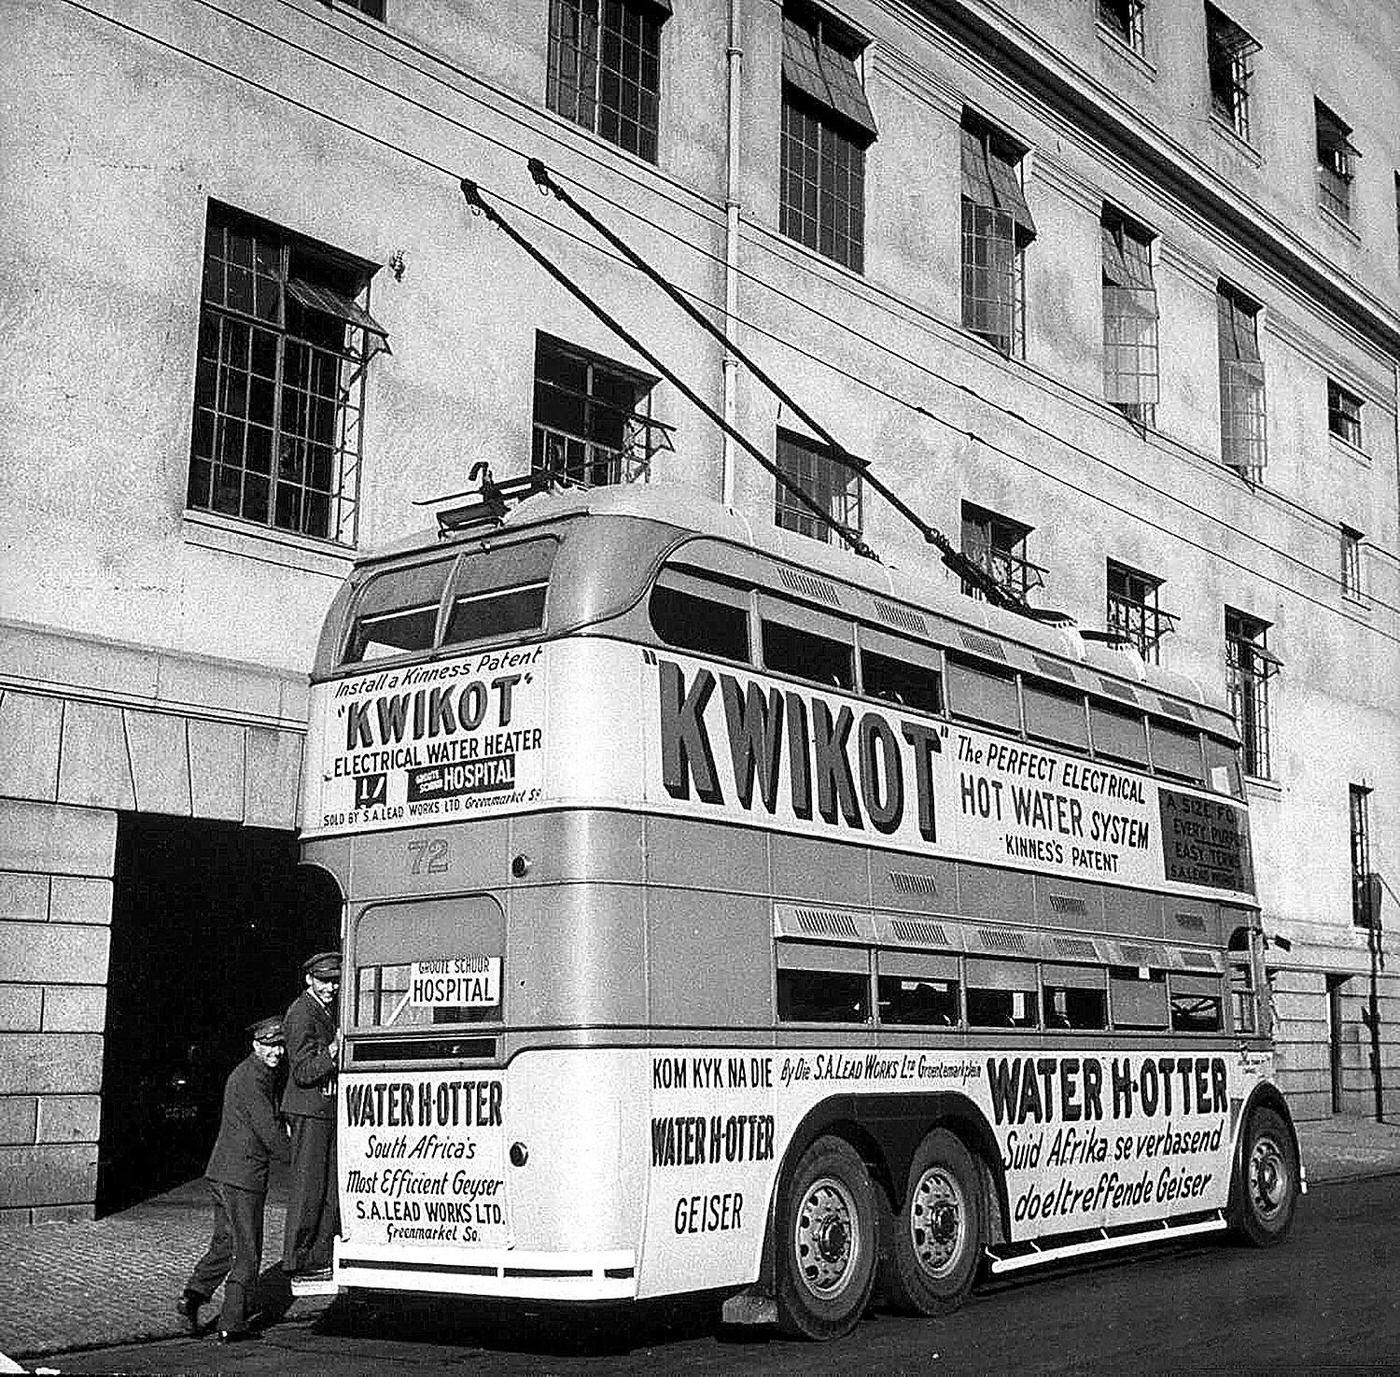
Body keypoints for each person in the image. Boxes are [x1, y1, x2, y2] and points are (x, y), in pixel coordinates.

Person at [176, 1017, 291, 1344]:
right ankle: (232, 1322)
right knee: (247, 1250)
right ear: (256, 1045)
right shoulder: (253, 1079)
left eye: (280, 1046)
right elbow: (269, 1131)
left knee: (225, 1243)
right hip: (242, 1177)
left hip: (223, 1172)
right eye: (270, 1046)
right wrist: (302, 1161)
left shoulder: (251, 1073)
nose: (276, 1052)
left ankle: (192, 1297)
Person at [281, 950, 342, 1281]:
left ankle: (318, 1254)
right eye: (325, 981)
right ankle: (296, 1258)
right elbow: (303, 1071)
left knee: (327, 1185)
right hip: (308, 1109)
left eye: (334, 981)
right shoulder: (301, 1013)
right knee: (308, 1187)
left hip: (323, 1109)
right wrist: (332, 1052)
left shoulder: (322, 1010)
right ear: (309, 980)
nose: (331, 987)